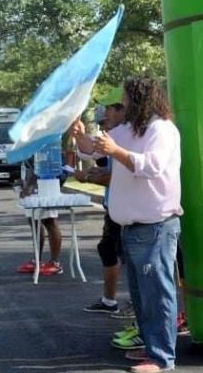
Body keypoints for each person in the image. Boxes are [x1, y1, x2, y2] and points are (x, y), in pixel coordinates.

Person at [72, 77, 183, 373]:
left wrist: (115, 151)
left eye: (126, 101)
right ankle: (151, 348)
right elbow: (92, 150)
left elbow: (151, 166)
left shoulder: (162, 130)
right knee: (140, 296)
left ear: (141, 101)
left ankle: (162, 359)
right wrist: (80, 136)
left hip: (156, 226)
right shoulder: (127, 130)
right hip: (132, 228)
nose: (122, 107)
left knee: (157, 294)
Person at [75, 103, 130, 314]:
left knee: (136, 260)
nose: (104, 122)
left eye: (108, 113)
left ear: (121, 111)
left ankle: (140, 309)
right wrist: (79, 134)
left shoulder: (130, 137)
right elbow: (91, 153)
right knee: (109, 250)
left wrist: (88, 176)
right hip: (115, 207)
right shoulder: (113, 137)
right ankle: (109, 301)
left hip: (132, 210)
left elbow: (120, 176)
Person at [16, 145, 68, 276]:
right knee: (33, 221)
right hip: (30, 185)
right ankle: (37, 260)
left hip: (46, 184)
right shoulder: (27, 139)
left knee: (49, 221)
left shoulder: (44, 138)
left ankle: (55, 262)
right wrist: (23, 182)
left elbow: (42, 163)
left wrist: (29, 185)